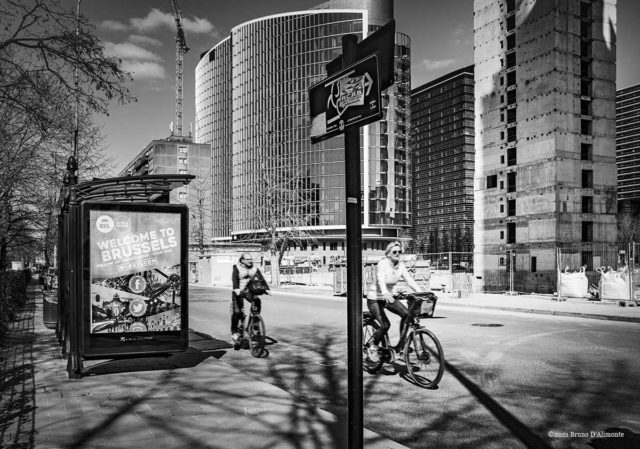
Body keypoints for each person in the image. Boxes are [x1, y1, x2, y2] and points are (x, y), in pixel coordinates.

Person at [366, 241, 423, 362]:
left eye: (399, 252)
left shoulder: (401, 265)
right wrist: (385, 293)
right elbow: (381, 279)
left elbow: (409, 280)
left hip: (388, 297)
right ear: (388, 254)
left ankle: (400, 346)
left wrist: (420, 292)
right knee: (385, 325)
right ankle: (373, 346)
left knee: (407, 314)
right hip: (375, 298)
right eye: (394, 252)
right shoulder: (382, 263)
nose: (397, 254)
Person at [230, 253, 267, 348]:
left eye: (251, 259)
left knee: (257, 300)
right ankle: (234, 331)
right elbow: (235, 278)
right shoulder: (236, 267)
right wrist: (236, 288)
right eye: (248, 259)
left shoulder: (253, 268)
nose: (250, 261)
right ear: (242, 260)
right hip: (238, 292)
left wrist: (266, 288)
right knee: (237, 312)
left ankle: (255, 320)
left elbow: (261, 278)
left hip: (248, 291)